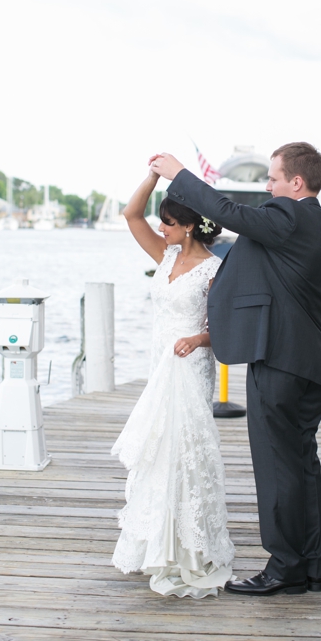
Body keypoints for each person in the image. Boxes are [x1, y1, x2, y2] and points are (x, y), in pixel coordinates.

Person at [150, 142, 321, 597]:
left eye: (273, 179)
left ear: (296, 183)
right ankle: (311, 565)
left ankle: (285, 568)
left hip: (280, 360)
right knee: (300, 468)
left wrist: (179, 174)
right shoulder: (318, 227)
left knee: (278, 469)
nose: (267, 187)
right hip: (305, 362)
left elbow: (230, 212)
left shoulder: (291, 217)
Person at [111, 167, 234, 598]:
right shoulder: (164, 257)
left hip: (189, 364)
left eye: (168, 222)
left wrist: (199, 338)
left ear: (187, 227)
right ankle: (154, 544)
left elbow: (227, 328)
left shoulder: (214, 270)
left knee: (184, 451)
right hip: (158, 366)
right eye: (161, 222)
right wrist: (149, 178)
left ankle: (188, 551)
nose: (160, 228)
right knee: (159, 451)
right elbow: (131, 215)